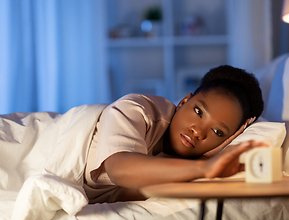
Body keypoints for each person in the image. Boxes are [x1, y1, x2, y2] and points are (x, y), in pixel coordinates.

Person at [83, 65, 266, 203]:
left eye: (217, 131)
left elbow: (129, 191)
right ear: (184, 101)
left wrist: (203, 163)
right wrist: (203, 168)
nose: (198, 131)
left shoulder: (186, 165)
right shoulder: (137, 109)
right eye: (198, 111)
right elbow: (119, 170)